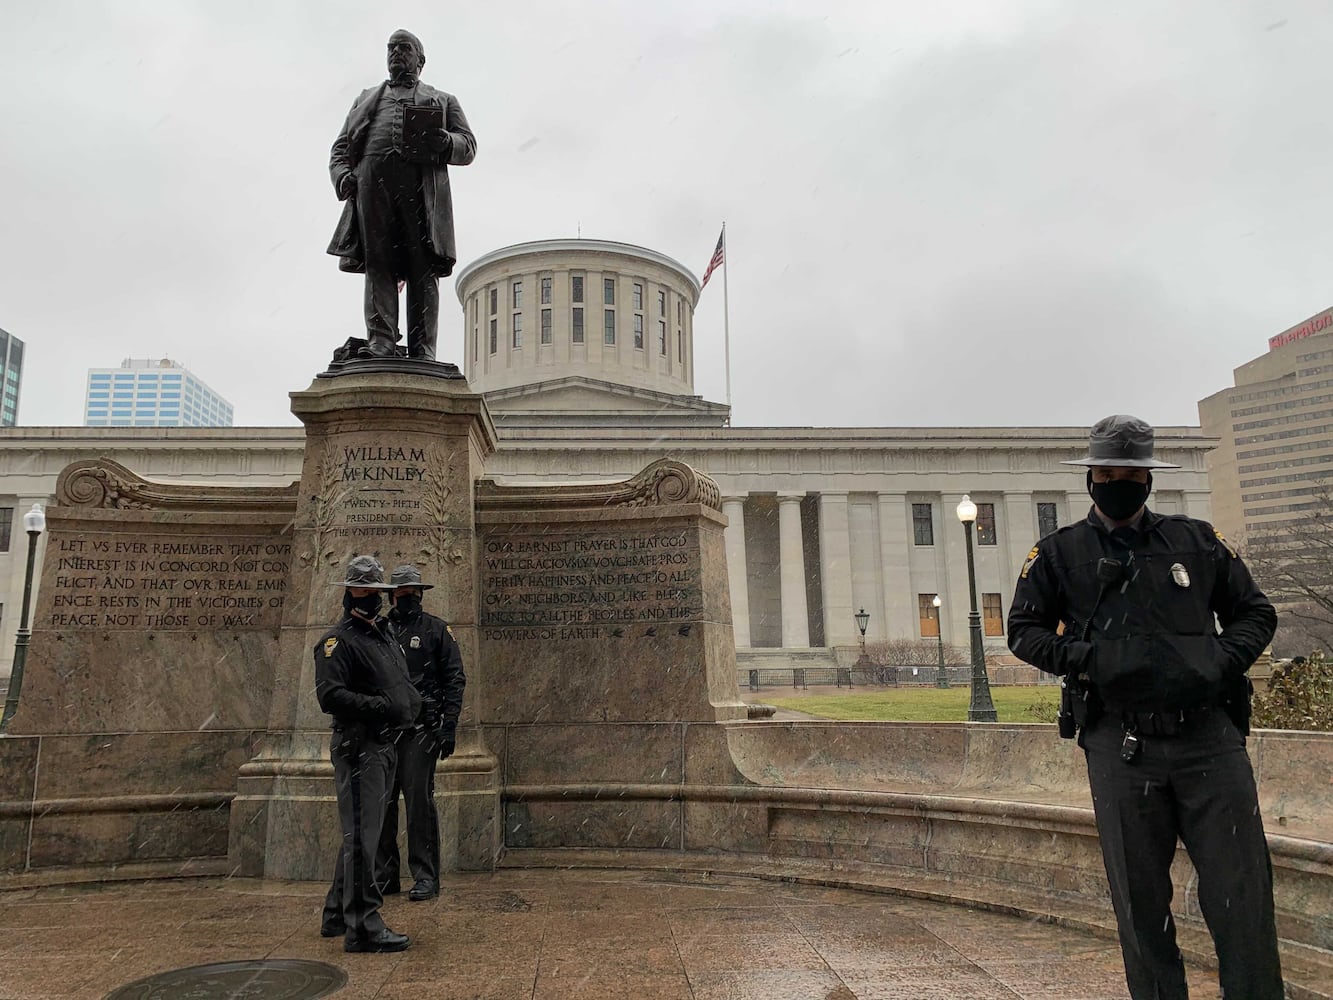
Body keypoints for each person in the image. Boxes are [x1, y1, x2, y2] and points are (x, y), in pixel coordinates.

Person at [1007, 414, 1283, 999]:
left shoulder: (1196, 541)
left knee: (1243, 892)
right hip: (1121, 743)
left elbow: (1256, 613)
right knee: (1139, 900)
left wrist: (1217, 659)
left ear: (1148, 479)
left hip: (1210, 739)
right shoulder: (1059, 554)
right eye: (1107, 473)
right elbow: (1024, 631)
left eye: (1130, 473)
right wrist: (1089, 660)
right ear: (1089, 478)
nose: (1118, 483)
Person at [328, 29, 477, 361]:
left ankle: (423, 348)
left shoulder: (442, 100)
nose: (395, 53)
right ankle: (381, 338)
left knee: (421, 267)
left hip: (421, 193)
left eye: (404, 48)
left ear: (420, 60)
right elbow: (340, 149)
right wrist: (343, 178)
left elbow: (468, 145)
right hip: (371, 190)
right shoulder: (366, 99)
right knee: (378, 263)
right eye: (391, 48)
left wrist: (445, 142)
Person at [316, 555, 422, 953]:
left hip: (383, 743)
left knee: (361, 834)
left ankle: (335, 914)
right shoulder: (337, 641)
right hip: (359, 745)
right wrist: (381, 707)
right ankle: (363, 926)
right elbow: (330, 695)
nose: (370, 597)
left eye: (376, 591)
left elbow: (396, 680)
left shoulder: (379, 633)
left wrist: (411, 705)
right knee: (363, 837)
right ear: (348, 592)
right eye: (362, 590)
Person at [376, 563, 466, 902]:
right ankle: (385, 875)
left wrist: (449, 725)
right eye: (401, 595)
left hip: (421, 731)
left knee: (418, 805)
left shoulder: (436, 631)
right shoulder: (380, 631)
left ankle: (426, 875)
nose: (408, 599)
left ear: (421, 594)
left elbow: (454, 679)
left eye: (413, 593)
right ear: (392, 597)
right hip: (384, 729)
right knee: (382, 805)